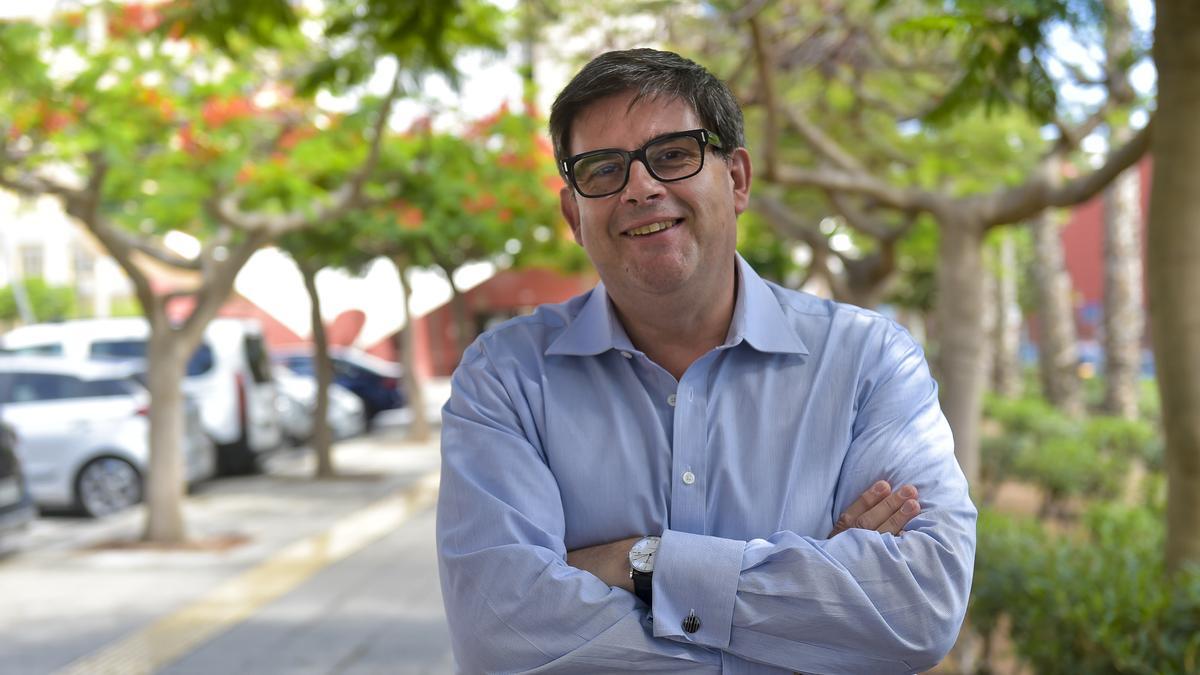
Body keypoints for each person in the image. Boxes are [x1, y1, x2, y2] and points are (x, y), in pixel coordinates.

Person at [436, 48, 976, 673]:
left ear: (738, 179)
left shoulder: (869, 361)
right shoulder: (504, 379)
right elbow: (499, 636)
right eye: (603, 169)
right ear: (573, 217)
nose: (640, 187)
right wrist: (813, 598)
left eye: (672, 155)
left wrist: (640, 562)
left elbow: (918, 609)